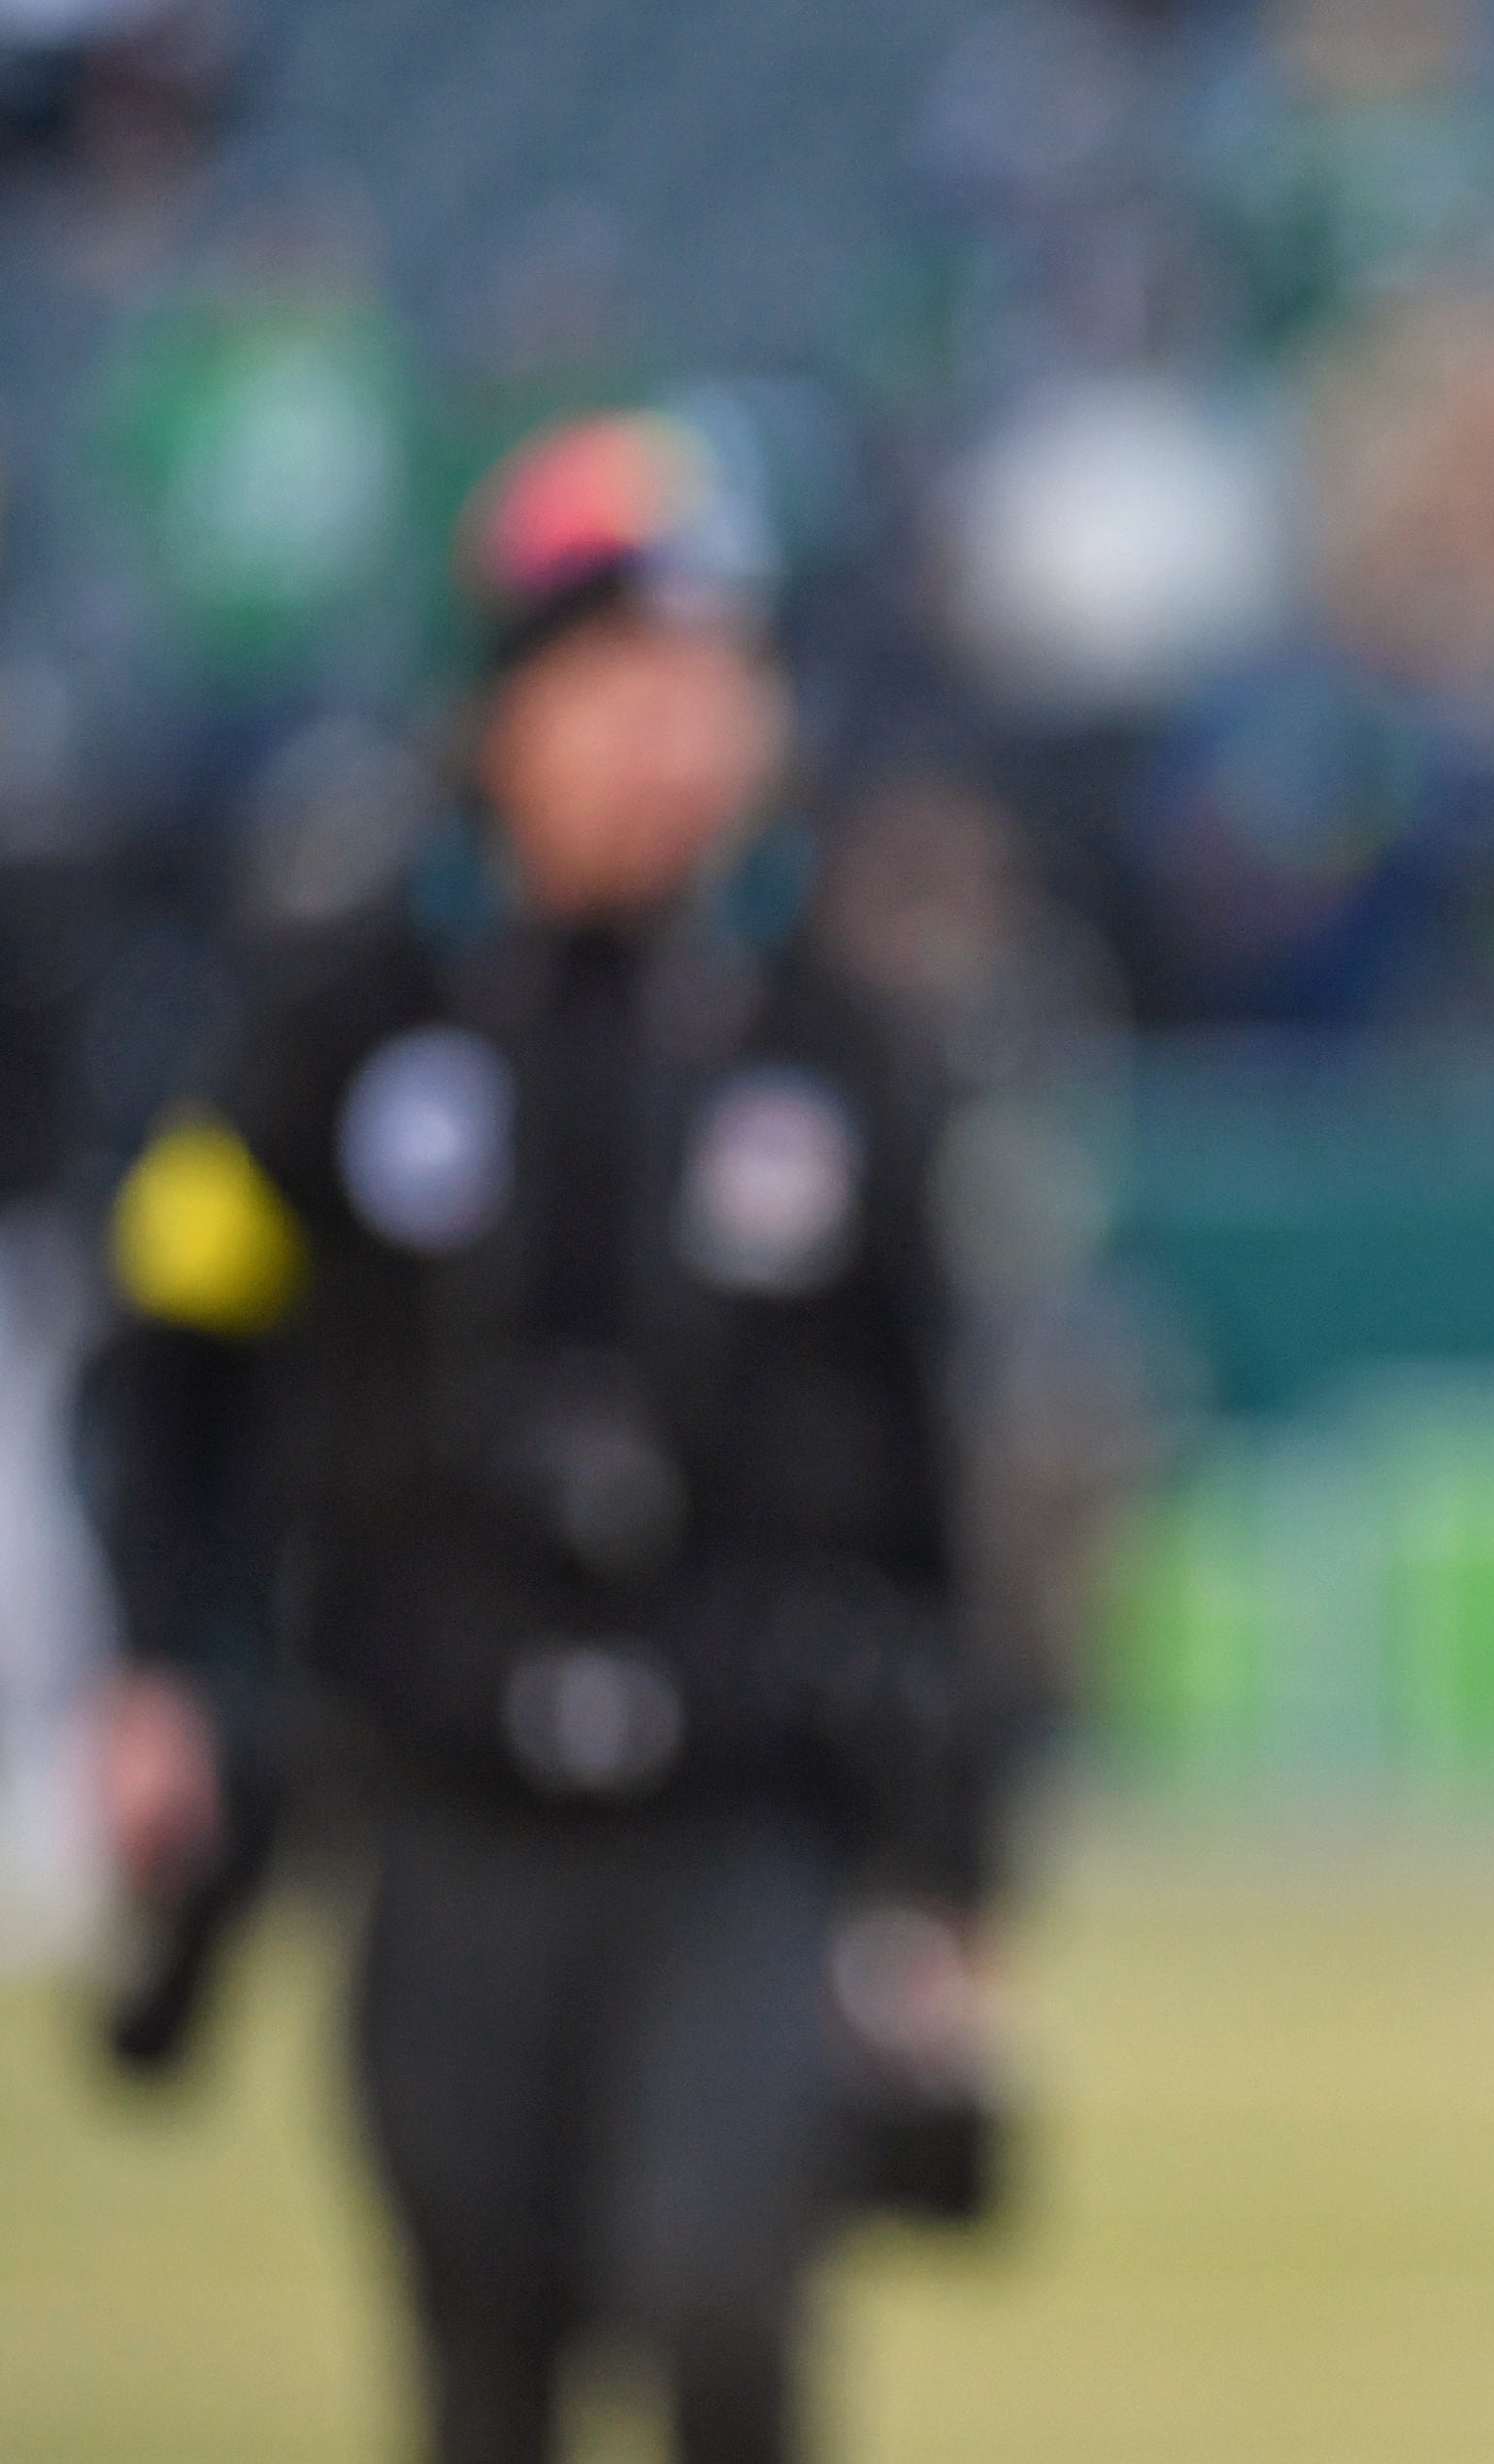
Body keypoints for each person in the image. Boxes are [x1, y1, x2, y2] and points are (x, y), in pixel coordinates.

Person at [80, 410, 986, 2464]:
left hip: (738, 1809)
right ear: (502, 710)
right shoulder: (334, 1023)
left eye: (711, 687)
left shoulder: (842, 1047)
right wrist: (153, 1670)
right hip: (435, 1804)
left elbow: (938, 1463)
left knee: (718, 2294)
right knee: (480, 2360)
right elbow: (169, 1351)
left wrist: (953, 1870)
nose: (669, 738)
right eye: (616, 684)